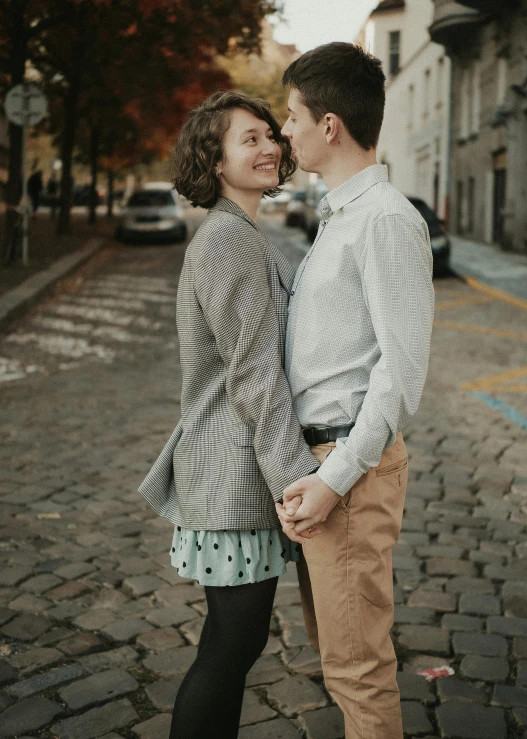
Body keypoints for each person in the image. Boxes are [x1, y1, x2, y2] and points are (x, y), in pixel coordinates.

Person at [138, 91, 320, 739]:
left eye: (271, 133)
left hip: (234, 470)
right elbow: (254, 375)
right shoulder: (227, 241)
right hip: (235, 474)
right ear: (214, 160)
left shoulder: (240, 232)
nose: (270, 145)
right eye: (249, 138)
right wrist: (296, 482)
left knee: (230, 644)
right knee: (229, 649)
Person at [275, 43, 435, 739]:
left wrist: (334, 478)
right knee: (341, 662)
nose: (286, 130)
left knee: (358, 671)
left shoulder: (385, 220)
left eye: (291, 116)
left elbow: (399, 378)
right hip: (326, 464)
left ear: (330, 124)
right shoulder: (342, 214)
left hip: (351, 470)